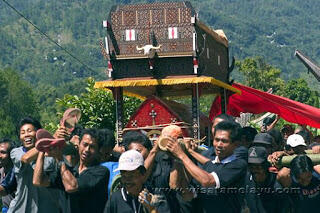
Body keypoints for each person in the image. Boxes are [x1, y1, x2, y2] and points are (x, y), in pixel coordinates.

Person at [166, 121, 247, 213]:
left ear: (235, 144)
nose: (219, 145)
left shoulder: (238, 165)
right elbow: (207, 163)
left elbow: (207, 180)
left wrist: (181, 154)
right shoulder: (214, 163)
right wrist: (189, 151)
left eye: (224, 141)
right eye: (216, 140)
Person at [33, 128, 110, 213]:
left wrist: (59, 158)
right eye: (85, 144)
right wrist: (42, 150)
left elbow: (71, 186)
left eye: (92, 147)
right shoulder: (69, 172)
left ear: (98, 150)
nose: (87, 150)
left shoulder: (101, 172)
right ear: (79, 145)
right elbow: (38, 181)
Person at [8, 117, 62, 213]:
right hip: (21, 209)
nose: (26, 135)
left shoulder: (52, 154)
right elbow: (26, 158)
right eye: (23, 132)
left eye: (29, 131)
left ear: (38, 133)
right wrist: (47, 141)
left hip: (48, 209)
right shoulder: (16, 152)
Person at [245, 146, 291, 213]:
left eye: (258, 167)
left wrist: (285, 154)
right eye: (251, 166)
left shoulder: (278, 185)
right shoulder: (246, 180)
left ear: (266, 166)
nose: (254, 170)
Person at [0, 138, 16, 213]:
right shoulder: (1, 170)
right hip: (6, 209)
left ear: (11, 154)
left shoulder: (16, 171)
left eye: (3, 152)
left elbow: (2, 190)